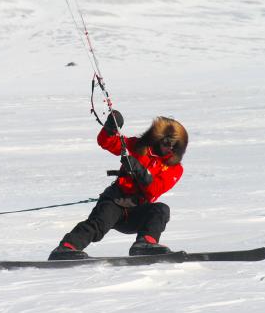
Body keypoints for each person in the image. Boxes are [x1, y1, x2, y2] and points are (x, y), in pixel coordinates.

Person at [48, 111, 188, 260]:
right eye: (168, 143)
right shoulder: (138, 147)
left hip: (136, 210)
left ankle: (145, 244)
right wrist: (110, 129)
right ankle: (66, 248)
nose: (171, 149)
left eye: (176, 146)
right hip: (115, 201)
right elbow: (107, 142)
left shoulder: (175, 169)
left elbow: (155, 189)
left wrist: (139, 170)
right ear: (157, 138)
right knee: (98, 224)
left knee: (161, 210)